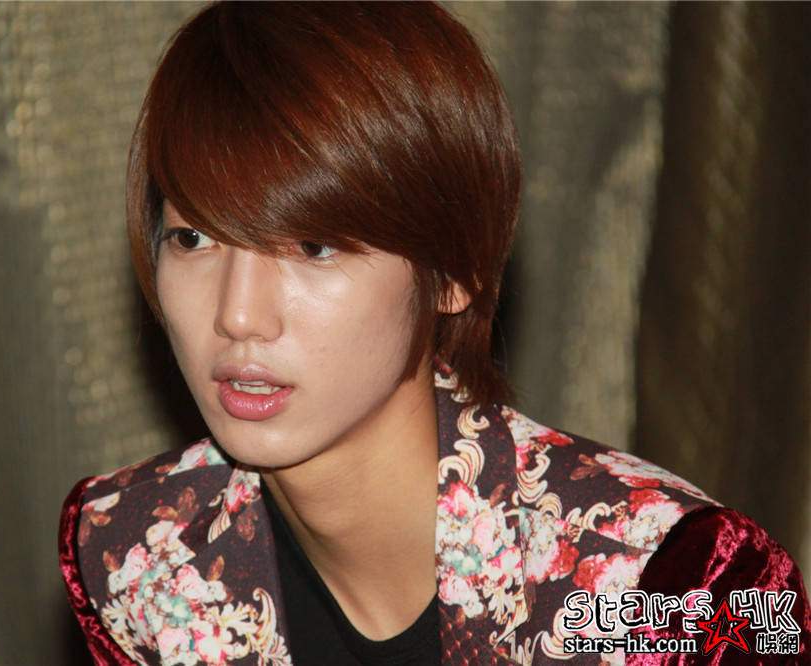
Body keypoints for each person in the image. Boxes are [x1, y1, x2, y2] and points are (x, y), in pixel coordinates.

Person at [58, 2, 810, 664]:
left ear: (456, 271)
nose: (238, 315)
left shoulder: (689, 584)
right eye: (192, 239)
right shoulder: (137, 556)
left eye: (313, 248)